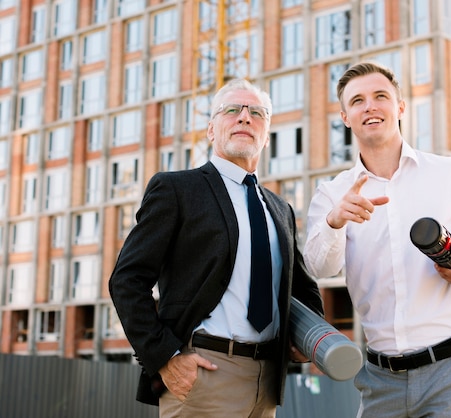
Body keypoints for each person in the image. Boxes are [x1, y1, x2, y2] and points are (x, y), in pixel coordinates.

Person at [304, 61, 451, 418]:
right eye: (357, 101)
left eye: (380, 96)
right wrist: (334, 221)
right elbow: (318, 266)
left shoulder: (449, 172)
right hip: (379, 376)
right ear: (345, 117)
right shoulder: (332, 194)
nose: (370, 106)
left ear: (400, 107)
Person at [109, 78, 324, 418]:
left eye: (257, 112)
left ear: (266, 135)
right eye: (232, 110)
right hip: (205, 375)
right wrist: (164, 358)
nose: (244, 117)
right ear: (211, 130)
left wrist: (312, 341)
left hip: (266, 383)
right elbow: (127, 279)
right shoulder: (177, 189)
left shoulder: (279, 208)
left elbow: (300, 287)